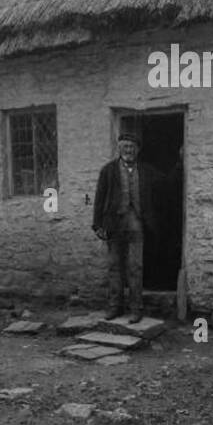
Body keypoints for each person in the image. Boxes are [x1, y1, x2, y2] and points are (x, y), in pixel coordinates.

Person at [92, 132, 159, 322]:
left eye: (132, 147)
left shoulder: (146, 171)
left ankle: (136, 309)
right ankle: (115, 307)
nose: (128, 150)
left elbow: (165, 183)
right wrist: (97, 224)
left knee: (135, 267)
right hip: (114, 224)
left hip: (136, 224)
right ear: (119, 148)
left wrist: (180, 165)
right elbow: (99, 198)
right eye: (125, 147)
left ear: (137, 150)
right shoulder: (108, 171)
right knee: (114, 266)